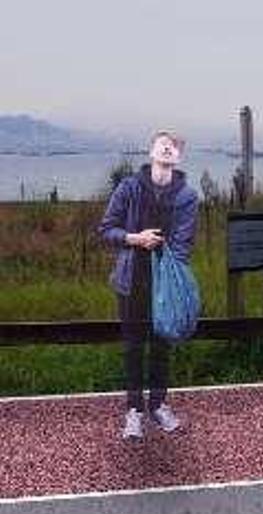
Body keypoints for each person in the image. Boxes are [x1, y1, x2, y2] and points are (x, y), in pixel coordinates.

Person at [97, 130, 200, 439]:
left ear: (179, 158)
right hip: (130, 281)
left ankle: (158, 405)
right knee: (132, 347)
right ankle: (134, 411)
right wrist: (134, 239)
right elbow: (106, 229)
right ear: (151, 151)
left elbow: (183, 244)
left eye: (175, 146)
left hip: (164, 285)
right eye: (163, 143)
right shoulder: (129, 188)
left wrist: (164, 262)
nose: (169, 147)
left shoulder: (188, 196)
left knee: (161, 347)